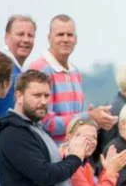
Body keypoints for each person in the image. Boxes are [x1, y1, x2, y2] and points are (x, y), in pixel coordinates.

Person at [0, 70, 91, 186]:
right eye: (37, 95)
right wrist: (75, 158)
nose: (43, 101)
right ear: (19, 96)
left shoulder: (37, 129)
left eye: (47, 96)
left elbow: (50, 167)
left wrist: (73, 153)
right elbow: (45, 175)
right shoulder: (13, 133)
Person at [29, 14, 116, 142]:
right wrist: (88, 116)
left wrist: (96, 119)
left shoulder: (75, 72)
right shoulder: (40, 69)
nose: (65, 39)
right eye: (60, 34)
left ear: (76, 39)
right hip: (50, 155)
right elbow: (46, 123)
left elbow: (76, 119)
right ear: (49, 38)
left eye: (69, 35)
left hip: (72, 154)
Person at [64, 118, 126, 186]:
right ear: (69, 137)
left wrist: (107, 172)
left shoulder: (86, 166)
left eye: (94, 137)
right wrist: (110, 174)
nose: (90, 141)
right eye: (84, 136)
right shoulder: (71, 166)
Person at [0, 15, 36, 118]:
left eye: (30, 35)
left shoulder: (21, 71)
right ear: (6, 37)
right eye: (20, 34)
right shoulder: (3, 70)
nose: (26, 40)